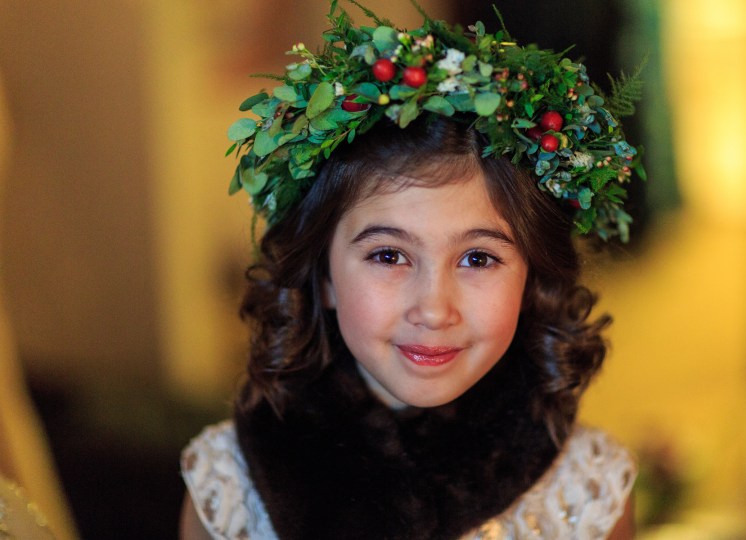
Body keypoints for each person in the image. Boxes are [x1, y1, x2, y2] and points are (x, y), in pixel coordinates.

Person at [180, 3, 644, 538]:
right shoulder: (230, 488)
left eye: (477, 258)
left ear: (532, 277)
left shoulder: (587, 493)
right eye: (388, 255)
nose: (434, 309)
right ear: (322, 274)